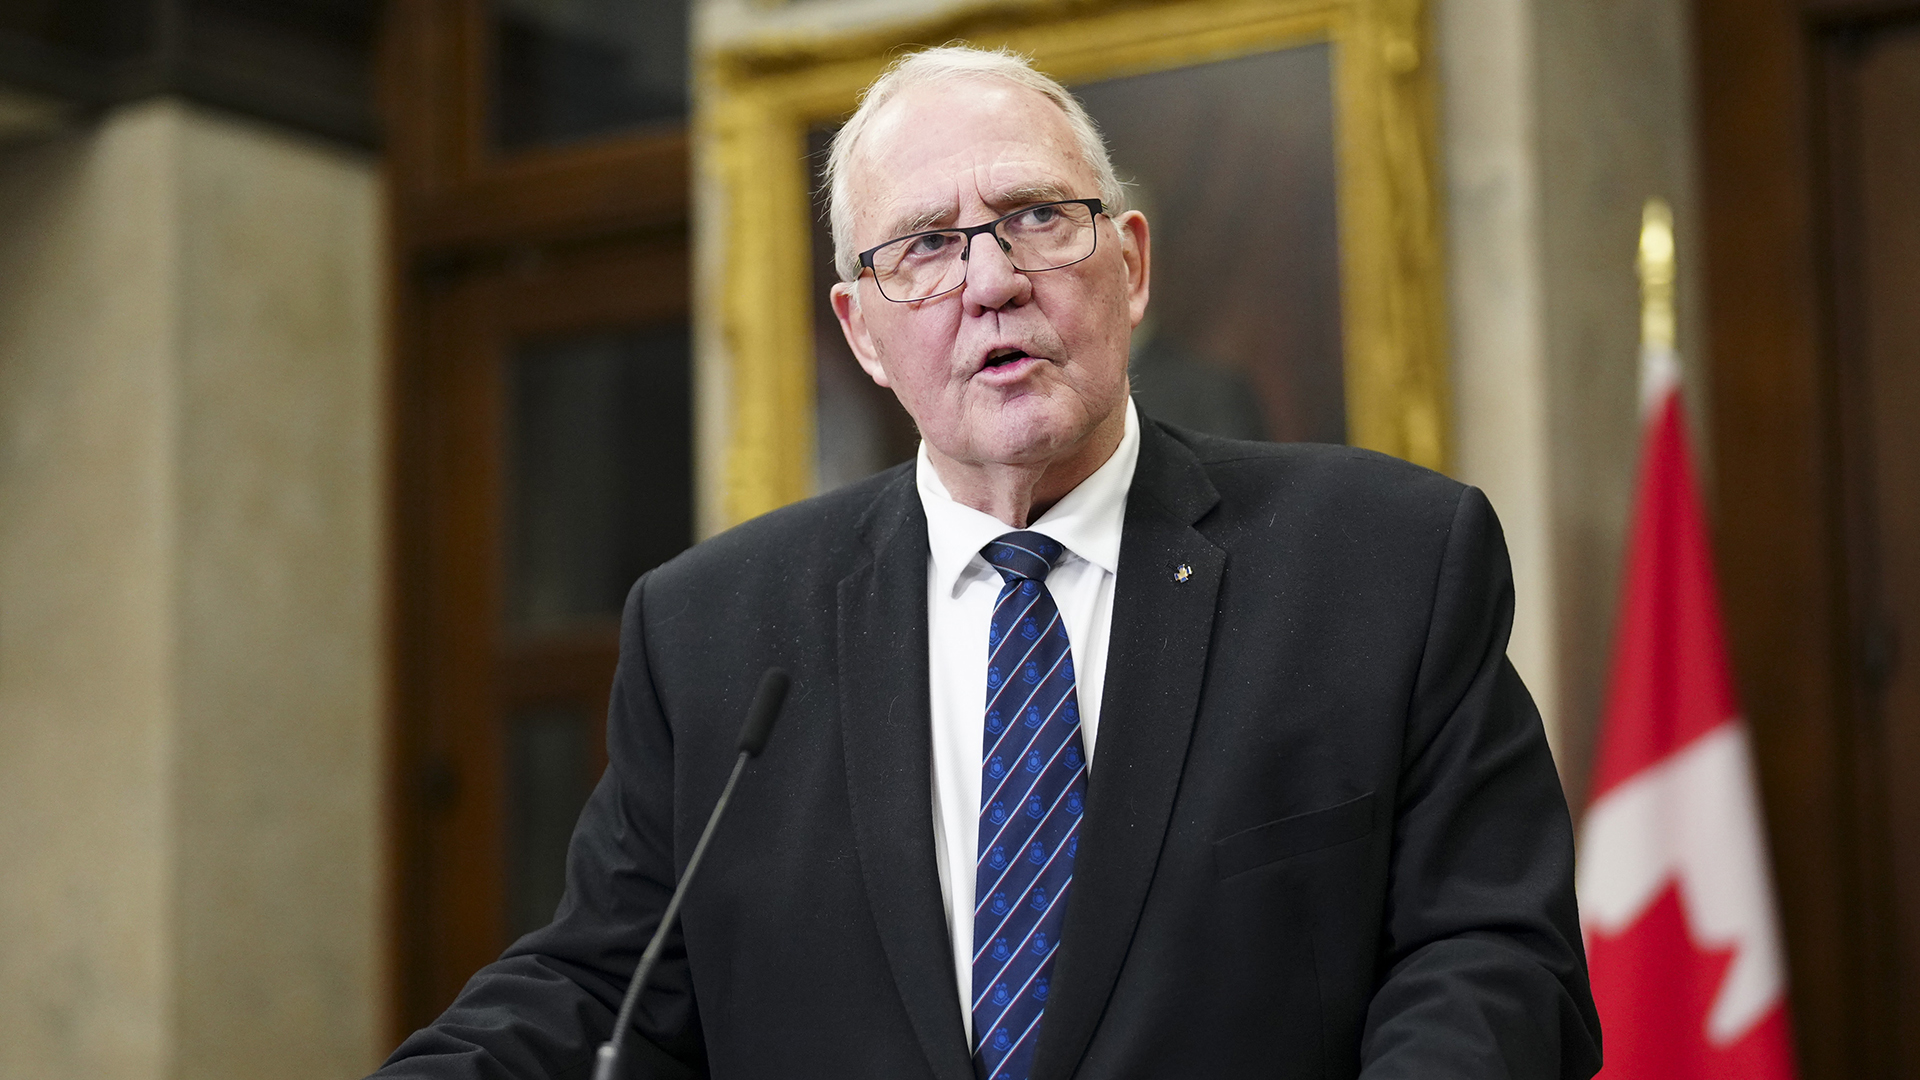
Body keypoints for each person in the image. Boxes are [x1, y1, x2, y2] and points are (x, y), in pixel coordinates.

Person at [373, 45, 1601, 1080]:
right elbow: (606, 989)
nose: (992, 282)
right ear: (861, 330)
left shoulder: (1381, 560)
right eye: (922, 246)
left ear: (1131, 265)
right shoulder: (712, 634)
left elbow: (1494, 959)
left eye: (1037, 219)